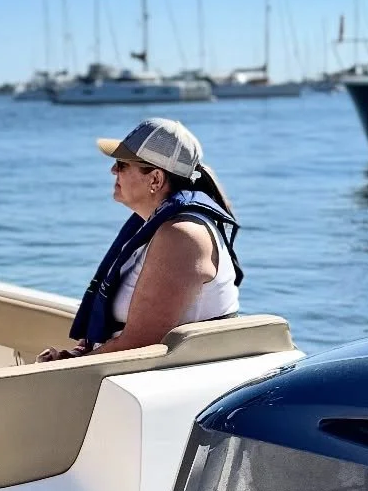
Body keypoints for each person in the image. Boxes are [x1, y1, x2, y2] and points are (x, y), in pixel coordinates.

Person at [40, 118, 242, 361]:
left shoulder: (182, 236)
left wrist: (69, 364)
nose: (113, 170)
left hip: (161, 379)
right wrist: (76, 354)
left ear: (155, 179)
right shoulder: (152, 226)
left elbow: (141, 345)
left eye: (122, 164)